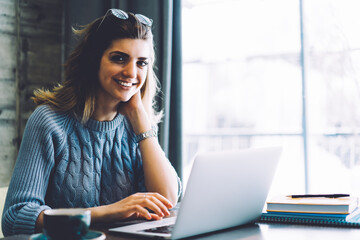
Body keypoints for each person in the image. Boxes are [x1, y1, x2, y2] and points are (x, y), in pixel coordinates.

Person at [1, 9, 181, 236]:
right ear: (93, 60)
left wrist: (143, 125)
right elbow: (16, 216)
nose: (131, 72)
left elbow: (167, 199)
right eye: (119, 58)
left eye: (142, 63)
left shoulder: (136, 125)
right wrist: (109, 212)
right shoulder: (49, 122)